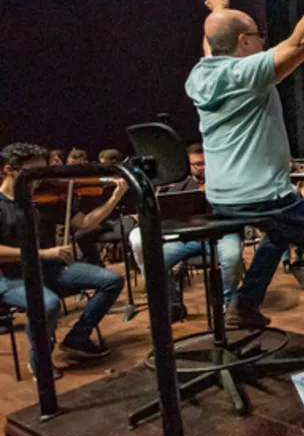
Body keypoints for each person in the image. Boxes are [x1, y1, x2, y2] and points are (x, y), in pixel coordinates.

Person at [187, 0, 304, 353]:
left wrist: (219, 14)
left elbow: (215, 45)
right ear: (245, 42)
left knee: (278, 236)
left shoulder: (199, 75)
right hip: (262, 194)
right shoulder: (247, 73)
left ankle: (244, 304)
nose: (264, 42)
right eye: (259, 36)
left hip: (221, 198)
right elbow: (303, 41)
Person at [0, 143, 126, 376]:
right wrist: (42, 253)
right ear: (9, 170)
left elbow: (86, 223)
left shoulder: (44, 199)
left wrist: (115, 197)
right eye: (34, 173)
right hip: (13, 278)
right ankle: (39, 359)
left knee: (111, 280)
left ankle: (76, 340)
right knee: (48, 304)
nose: (41, 179)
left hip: (51, 270)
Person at [129, 143, 242, 321]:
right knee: (153, 261)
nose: (201, 167)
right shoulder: (179, 187)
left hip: (222, 233)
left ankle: (228, 306)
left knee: (232, 256)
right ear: (188, 166)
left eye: (205, 163)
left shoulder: (225, 181)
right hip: (189, 238)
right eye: (196, 164)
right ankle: (172, 303)